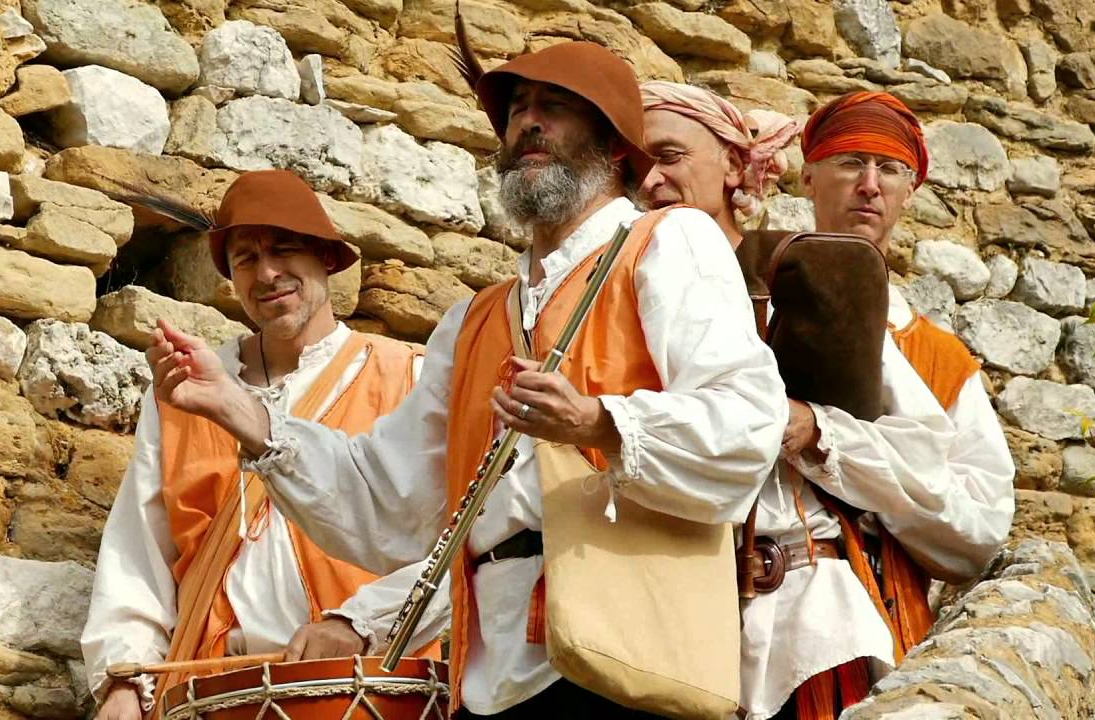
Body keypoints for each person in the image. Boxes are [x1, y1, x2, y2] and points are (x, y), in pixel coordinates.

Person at [140, 41, 788, 717]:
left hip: (631, 654)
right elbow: (389, 501)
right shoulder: (473, 322)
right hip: (494, 676)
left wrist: (600, 425)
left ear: (617, 148)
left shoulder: (670, 243)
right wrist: (238, 409)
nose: (528, 123)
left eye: (555, 108)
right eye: (517, 110)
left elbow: (746, 425)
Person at [81, 170, 450, 720]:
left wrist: (359, 624)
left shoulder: (412, 378)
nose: (268, 272)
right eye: (246, 258)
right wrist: (124, 678)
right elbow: (139, 552)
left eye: (285, 249)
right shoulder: (182, 393)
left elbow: (458, 548)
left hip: (372, 690)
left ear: (326, 256)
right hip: (213, 693)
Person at [740, 91, 1016, 719]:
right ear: (808, 174)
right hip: (706, 626)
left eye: (889, 169)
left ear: (910, 189)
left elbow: (977, 529)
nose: (869, 186)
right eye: (850, 163)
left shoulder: (935, 357)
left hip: (858, 632)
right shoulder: (737, 304)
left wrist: (825, 441)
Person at [637, 81, 800, 246]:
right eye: (633, 165)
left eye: (669, 156)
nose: (646, 181)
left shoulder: (792, 265)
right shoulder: (621, 267)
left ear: (732, 165)